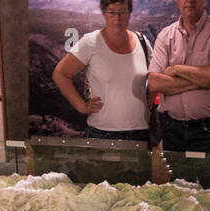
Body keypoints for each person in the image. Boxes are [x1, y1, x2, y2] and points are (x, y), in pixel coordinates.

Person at [147, 0, 210, 187]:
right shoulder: (165, 35)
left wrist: (177, 69)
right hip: (172, 132)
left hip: (209, 131)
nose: (189, 1)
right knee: (179, 196)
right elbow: (154, 82)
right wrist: (201, 81)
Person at [52, 0, 153, 143]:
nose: (117, 18)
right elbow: (60, 74)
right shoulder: (91, 42)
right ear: (104, 14)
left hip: (141, 133)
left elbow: (155, 76)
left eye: (122, 12)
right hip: (103, 133)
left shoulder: (142, 42)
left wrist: (151, 98)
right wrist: (82, 106)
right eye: (111, 12)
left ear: (130, 13)